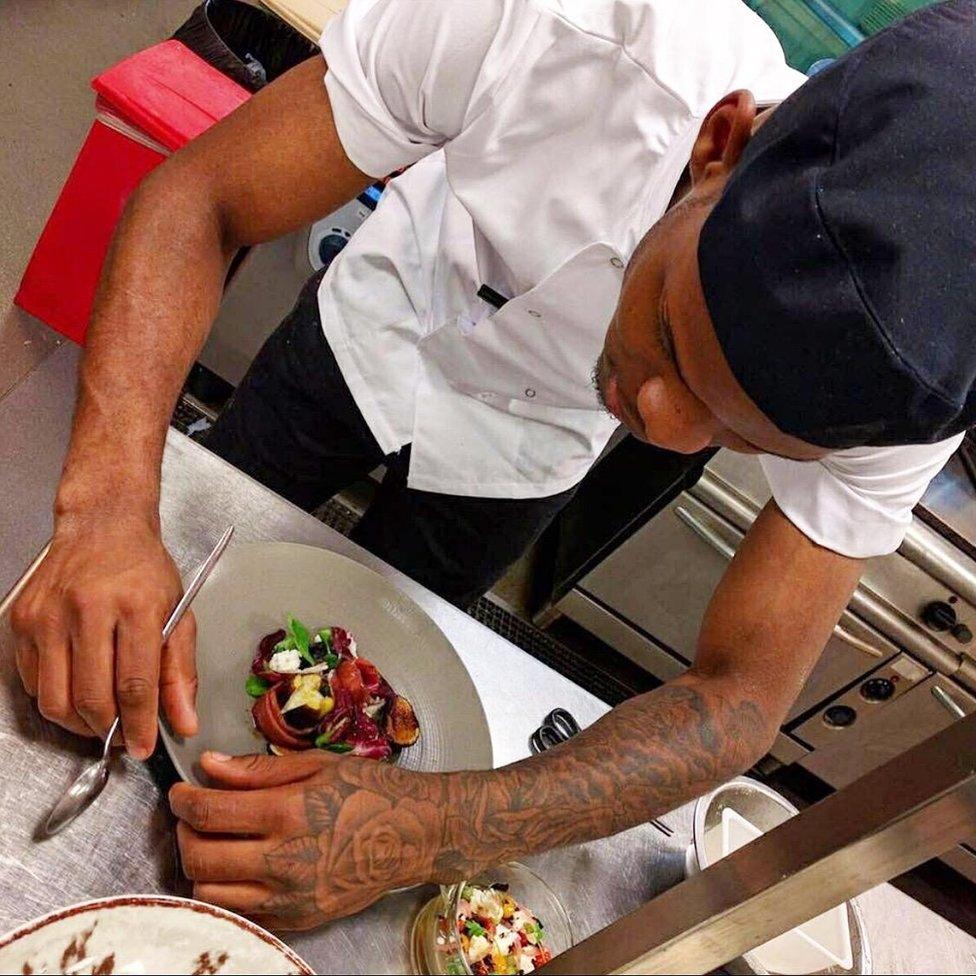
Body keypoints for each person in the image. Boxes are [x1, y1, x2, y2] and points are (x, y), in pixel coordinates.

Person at [10, 0, 975, 930]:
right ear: (718, 147)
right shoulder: (558, 25)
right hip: (378, 323)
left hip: (523, 453)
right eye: (675, 341)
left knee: (389, 668)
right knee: (209, 518)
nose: (660, 424)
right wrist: (105, 515)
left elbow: (741, 697)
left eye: (741, 437)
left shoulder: (906, 399)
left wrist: (437, 825)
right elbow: (203, 195)